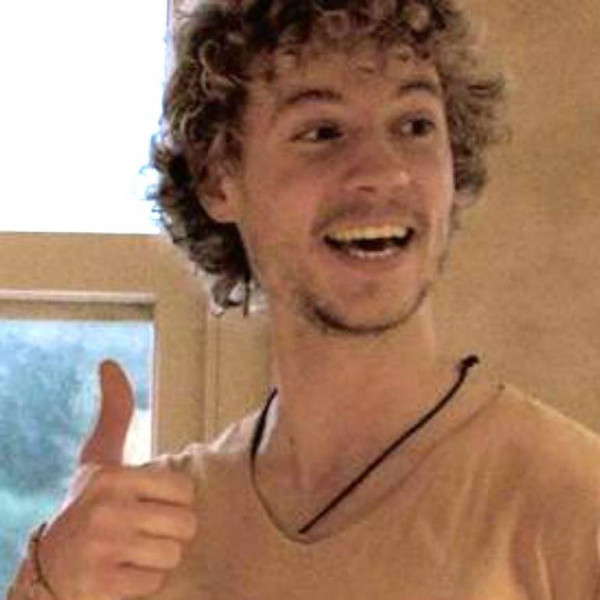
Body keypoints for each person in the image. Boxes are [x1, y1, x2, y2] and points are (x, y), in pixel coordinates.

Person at [9, 0, 600, 598]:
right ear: (218, 177)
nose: (384, 172)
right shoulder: (146, 539)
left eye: (415, 126)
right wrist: (48, 580)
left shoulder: (573, 505)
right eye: (322, 132)